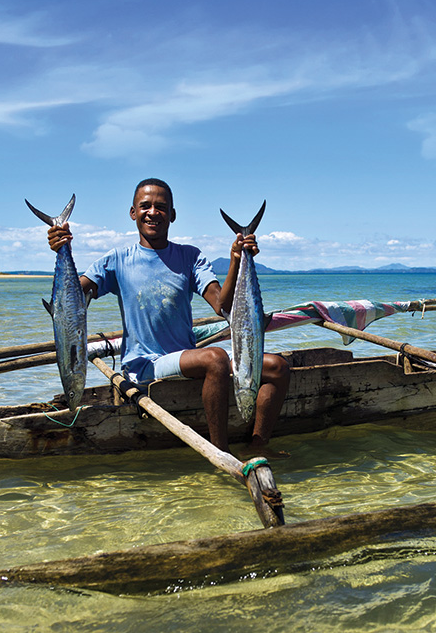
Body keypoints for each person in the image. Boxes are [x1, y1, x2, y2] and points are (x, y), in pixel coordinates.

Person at [47, 178, 290, 457]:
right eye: (145, 206)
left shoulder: (190, 257)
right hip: (144, 365)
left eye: (161, 207)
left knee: (277, 367)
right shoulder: (116, 260)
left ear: (172, 215)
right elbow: (72, 302)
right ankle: (221, 453)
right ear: (133, 213)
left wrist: (236, 259)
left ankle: (259, 445)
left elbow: (222, 306)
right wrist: (61, 250)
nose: (153, 212)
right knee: (216, 358)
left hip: (185, 358)